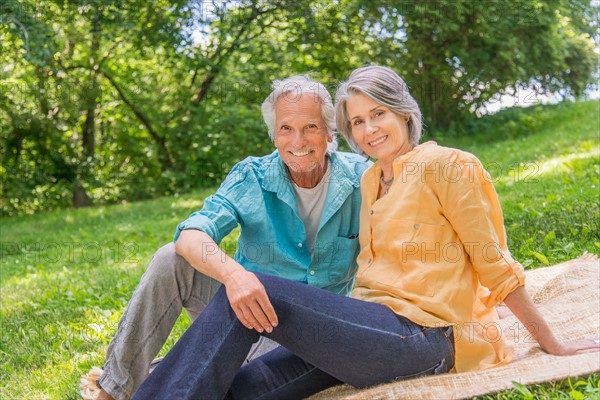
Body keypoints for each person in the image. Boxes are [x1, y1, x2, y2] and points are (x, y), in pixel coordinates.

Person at [132, 66, 600, 400]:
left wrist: (550, 341)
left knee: (250, 293)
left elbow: (493, 261)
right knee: (241, 388)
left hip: (426, 335)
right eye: (357, 121)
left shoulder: (448, 165)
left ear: (403, 112)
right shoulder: (371, 180)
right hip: (367, 330)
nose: (369, 128)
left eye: (378, 113)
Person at [90, 75, 370, 400]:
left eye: (310, 127)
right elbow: (192, 236)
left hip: (311, 336)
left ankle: (186, 370)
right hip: (243, 313)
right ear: (274, 134)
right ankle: (113, 391)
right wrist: (235, 276)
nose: (298, 140)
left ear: (330, 131)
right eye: (286, 128)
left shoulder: (362, 179)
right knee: (171, 258)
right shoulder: (251, 176)